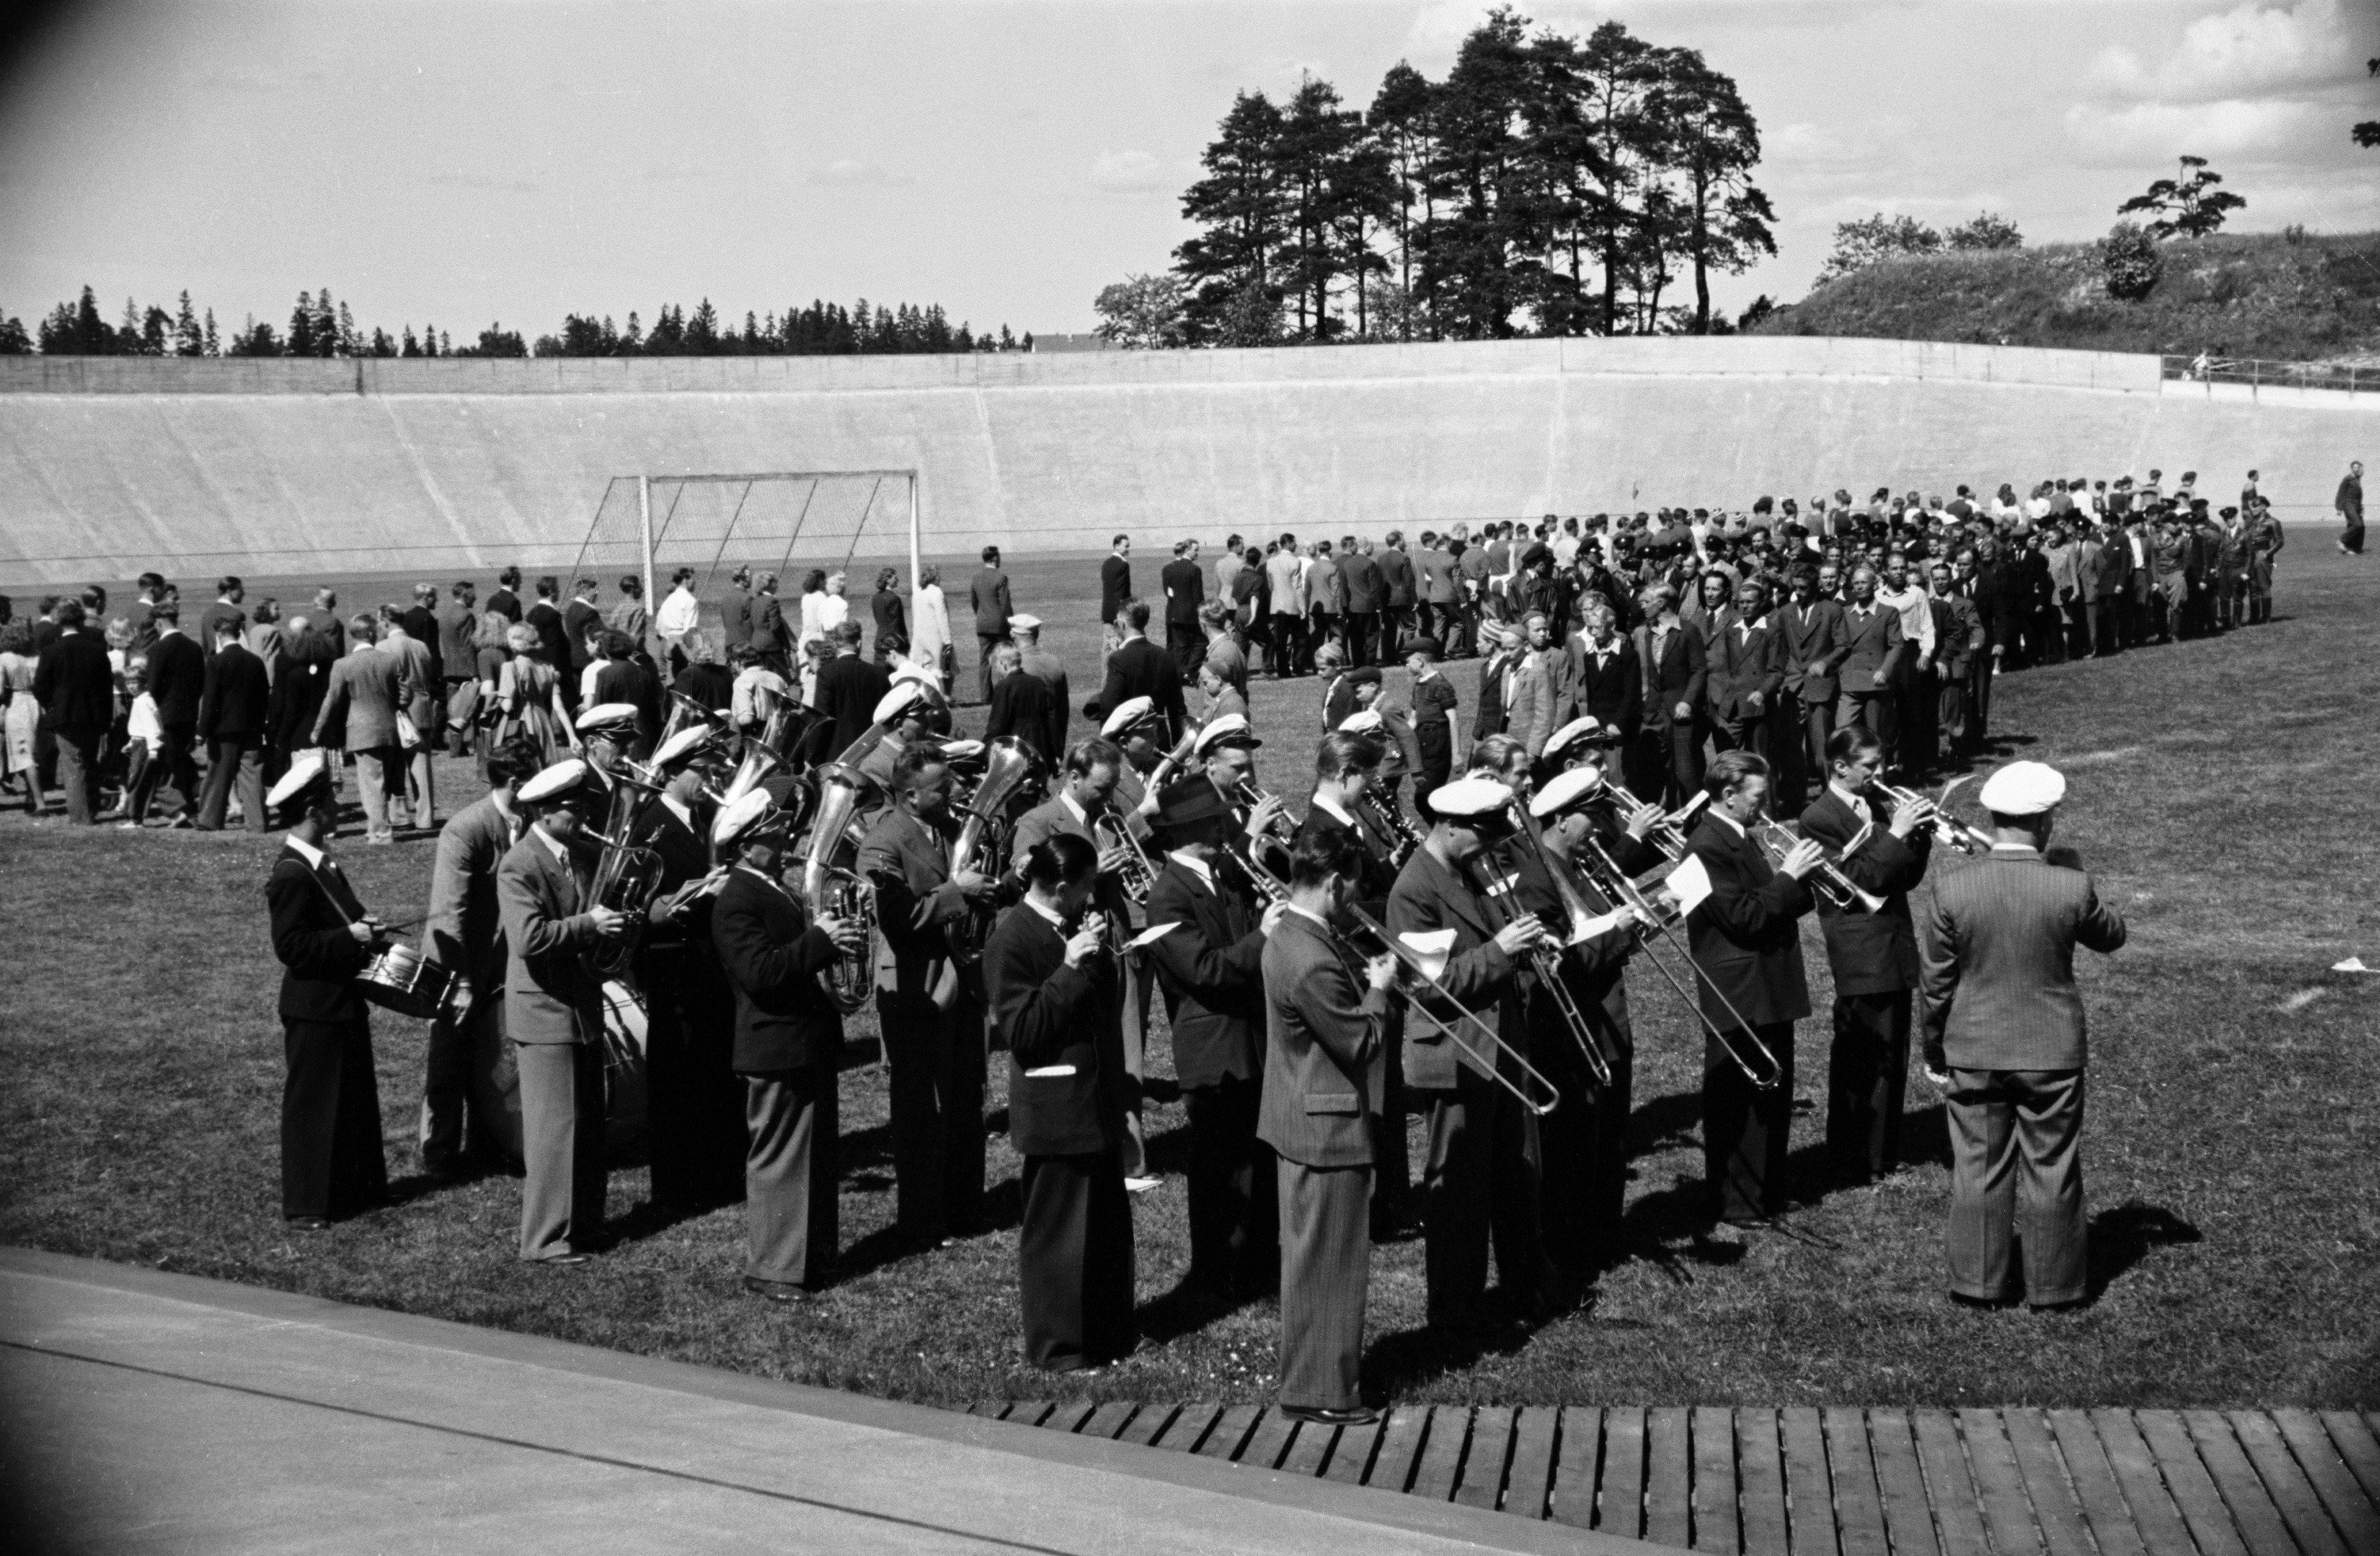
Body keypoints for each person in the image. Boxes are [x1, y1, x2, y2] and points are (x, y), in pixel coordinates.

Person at [1919, 760, 2125, 1309]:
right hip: (2050, 1047)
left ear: (1993, 814)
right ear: (2045, 821)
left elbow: (1937, 981)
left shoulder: (1953, 888)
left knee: (1979, 1165)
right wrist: (2081, 875)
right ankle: (2054, 1286)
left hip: (1977, 1044)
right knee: (2052, 1164)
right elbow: (2113, 937)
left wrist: (1935, 1047)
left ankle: (1978, 1283)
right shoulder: (2069, 885)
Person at [1387, 776, 1556, 1333]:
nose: (1493, 845)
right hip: (1459, 1057)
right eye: (1484, 833)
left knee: (1517, 1179)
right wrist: (1500, 952)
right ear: (1451, 825)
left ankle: (1523, 1290)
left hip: (1503, 1045)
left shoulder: (1469, 867)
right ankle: (1453, 1318)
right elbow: (1426, 987)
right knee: (1458, 1197)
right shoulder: (1414, 889)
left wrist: (1528, 947)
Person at [985, 832, 1136, 1371]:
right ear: (1064, 886)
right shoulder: (1012, 938)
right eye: (1089, 885)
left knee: (1103, 1230)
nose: (1094, 894)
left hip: (1090, 1100)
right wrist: (1070, 968)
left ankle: (1108, 1330)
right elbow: (1023, 1028)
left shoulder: (1067, 925)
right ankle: (1058, 1347)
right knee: (1058, 1235)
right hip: (1055, 1105)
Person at [711, 789, 870, 1300]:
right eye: (774, 836)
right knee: (780, 1161)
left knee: (815, 1158)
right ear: (745, 844)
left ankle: (809, 1258)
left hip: (806, 1040)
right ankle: (773, 1268)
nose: (786, 841)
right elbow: (762, 973)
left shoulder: (773, 888)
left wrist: (843, 917)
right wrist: (822, 939)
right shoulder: (736, 899)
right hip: (775, 1044)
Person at [1262, 826, 1397, 1427]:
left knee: (1310, 1263)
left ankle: (1311, 1377)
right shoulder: (1312, 958)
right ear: (1336, 881)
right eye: (1353, 887)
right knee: (1333, 1266)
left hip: (1299, 1115)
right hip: (1327, 1127)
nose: (1355, 898)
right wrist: (1378, 991)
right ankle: (1323, 1390)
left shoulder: (1288, 934)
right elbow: (1360, 1041)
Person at [857, 744, 999, 1247]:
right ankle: (920, 1220)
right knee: (920, 1109)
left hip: (960, 982)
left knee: (965, 1098)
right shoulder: (882, 843)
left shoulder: (947, 829)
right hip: (914, 988)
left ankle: (963, 1207)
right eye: (944, 787)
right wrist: (959, 890)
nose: (957, 793)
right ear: (911, 797)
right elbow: (899, 919)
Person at [1145, 777, 1280, 1297]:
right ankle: (1213, 1270)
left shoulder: (1218, 874)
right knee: (1218, 1167)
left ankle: (1253, 1262)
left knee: (1255, 1158)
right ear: (1192, 829)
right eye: (1218, 820)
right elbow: (1204, 970)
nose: (1227, 826)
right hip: (1213, 1050)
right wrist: (1263, 935)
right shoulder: (1168, 895)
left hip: (1249, 1038)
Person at [1685, 751, 1822, 1233]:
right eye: (1758, 797)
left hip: (1765, 983)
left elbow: (1769, 904)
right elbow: (1742, 916)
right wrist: (1788, 878)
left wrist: (1804, 882)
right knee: (1738, 1101)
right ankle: (1737, 1200)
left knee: (1771, 1095)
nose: (1766, 806)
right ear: (1728, 795)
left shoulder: (1737, 836)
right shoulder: (1707, 844)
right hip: (1740, 989)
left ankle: (1764, 1190)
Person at [497, 758, 628, 1264]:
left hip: (580, 1008)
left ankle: (584, 1225)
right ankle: (543, 1239)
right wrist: (591, 925)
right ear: (547, 811)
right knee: (555, 1131)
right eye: (575, 809)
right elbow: (529, 939)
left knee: (588, 1126)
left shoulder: (577, 852)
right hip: (546, 1011)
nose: (585, 817)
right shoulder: (520, 864)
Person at [1799, 728, 1935, 1185]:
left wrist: (1919, 836)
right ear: (1840, 766)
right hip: (1860, 950)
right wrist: (1896, 832)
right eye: (1869, 766)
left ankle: (1881, 1153)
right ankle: (1849, 1155)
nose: (1880, 774)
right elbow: (1862, 880)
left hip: (1893, 943)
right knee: (1861, 1060)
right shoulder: (1818, 817)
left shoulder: (1875, 807)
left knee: (1892, 1058)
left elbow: (1904, 876)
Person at [263, 753, 388, 1228]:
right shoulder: (292, 873)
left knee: (353, 1100)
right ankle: (306, 1204)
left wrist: (363, 927)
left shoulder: (321, 863)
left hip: (340, 999)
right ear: (313, 810)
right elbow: (290, 946)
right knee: (312, 1108)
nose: (339, 807)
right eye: (332, 800)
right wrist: (348, 938)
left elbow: (340, 916)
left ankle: (358, 1190)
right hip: (314, 1006)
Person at [421, 736, 541, 1178]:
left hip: (509, 962)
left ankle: (490, 1141)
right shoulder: (466, 828)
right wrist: (460, 983)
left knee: (497, 1054)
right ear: (514, 781)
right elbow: (449, 912)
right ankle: (440, 1152)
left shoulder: (531, 821)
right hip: (462, 964)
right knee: (449, 1056)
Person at [33, 600, 114, 825]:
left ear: (59, 621)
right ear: (80, 619)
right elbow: (105, 685)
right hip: (93, 714)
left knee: (73, 765)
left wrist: (52, 705)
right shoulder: (97, 650)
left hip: (63, 715)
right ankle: (90, 810)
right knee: (89, 762)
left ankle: (80, 816)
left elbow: (39, 685)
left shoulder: (51, 651)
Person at [193, 616, 269, 832]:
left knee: (218, 774)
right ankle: (258, 823)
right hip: (252, 728)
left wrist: (202, 731)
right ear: (239, 633)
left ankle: (209, 819)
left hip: (223, 730)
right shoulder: (255, 661)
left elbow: (210, 701)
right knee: (252, 775)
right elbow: (264, 697)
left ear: (219, 634)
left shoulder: (216, 662)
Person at [378, 604, 439, 830]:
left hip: (396, 711)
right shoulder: (420, 645)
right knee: (422, 768)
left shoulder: (383, 646)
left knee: (395, 766)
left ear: (385, 621)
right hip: (422, 708)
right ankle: (426, 818)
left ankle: (399, 816)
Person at [1095, 598, 1188, 744]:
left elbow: (1108, 705)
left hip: (1131, 742)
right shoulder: (1166, 656)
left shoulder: (1118, 659)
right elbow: (1177, 711)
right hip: (1159, 739)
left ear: (1123, 624)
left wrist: (1106, 742)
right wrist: (1178, 749)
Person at [146, 603, 206, 824]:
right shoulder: (194, 647)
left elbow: (152, 687)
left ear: (158, 623)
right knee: (179, 758)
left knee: (164, 762)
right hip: (189, 713)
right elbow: (201, 683)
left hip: (165, 715)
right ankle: (192, 796)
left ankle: (180, 805)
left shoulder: (158, 649)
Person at [811, 619, 891, 760]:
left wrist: (812, 756)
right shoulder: (880, 673)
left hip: (837, 752)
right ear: (859, 643)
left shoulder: (827, 673)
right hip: (871, 750)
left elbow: (821, 720)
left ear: (835, 644)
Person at [497, 622, 575, 764]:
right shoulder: (549, 668)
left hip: (522, 721)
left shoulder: (510, 667)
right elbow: (559, 708)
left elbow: (507, 706)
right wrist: (572, 736)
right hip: (543, 720)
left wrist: (497, 697)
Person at [1403, 636, 1459, 811]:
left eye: (1408, 661)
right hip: (1423, 743)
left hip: (1438, 743)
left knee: (1425, 798)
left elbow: (1453, 719)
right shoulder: (1418, 684)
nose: (1406, 665)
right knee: (1427, 798)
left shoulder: (1440, 685)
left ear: (1420, 661)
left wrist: (1456, 754)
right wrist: (1394, 745)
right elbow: (1413, 719)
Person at [983, 641, 1062, 766]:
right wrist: (1056, 752)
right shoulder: (1038, 682)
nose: (997, 672)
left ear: (1003, 664)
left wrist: (985, 745)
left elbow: (998, 723)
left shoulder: (1005, 685)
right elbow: (1051, 719)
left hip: (1017, 745)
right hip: (1041, 743)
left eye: (996, 667)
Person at [0, 621, 45, 815]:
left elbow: (1, 692)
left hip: (17, 704)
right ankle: (31, 797)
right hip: (38, 704)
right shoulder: (37, 657)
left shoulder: (5, 659)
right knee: (35, 754)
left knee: (24, 754)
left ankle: (40, 803)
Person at [1011, 615, 1070, 758]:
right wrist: (1059, 747)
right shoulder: (1055, 663)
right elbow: (1063, 710)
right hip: (1051, 743)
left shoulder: (1016, 668)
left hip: (1022, 747)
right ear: (1036, 634)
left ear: (1012, 635)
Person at [1161, 539, 1206, 685]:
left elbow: (1169, 592)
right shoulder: (1194, 569)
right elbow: (1198, 595)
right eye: (1196, 550)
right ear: (1187, 550)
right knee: (1202, 643)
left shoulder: (1168, 569)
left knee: (1177, 646)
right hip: (1191, 614)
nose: (1197, 553)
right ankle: (1188, 672)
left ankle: (1176, 674)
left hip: (1174, 612)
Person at [970, 546, 1013, 703]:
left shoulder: (976, 577)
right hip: (1000, 625)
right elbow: (1005, 604)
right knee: (1009, 657)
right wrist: (1011, 623)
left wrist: (982, 616)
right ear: (995, 558)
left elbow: (974, 602)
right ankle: (1009, 692)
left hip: (982, 624)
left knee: (985, 662)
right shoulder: (1001, 577)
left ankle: (986, 697)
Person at [1265, 536, 1308, 678]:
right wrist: (1303, 608)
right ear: (1289, 544)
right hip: (1293, 606)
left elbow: (1271, 586)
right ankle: (1298, 667)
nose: (1296, 545)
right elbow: (1297, 587)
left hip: (1277, 606)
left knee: (1281, 641)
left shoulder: (1270, 562)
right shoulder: (1295, 561)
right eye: (1295, 542)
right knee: (1300, 638)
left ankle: (1283, 670)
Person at [911, 564, 953, 695]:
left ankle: (926, 696)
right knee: (947, 669)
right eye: (938, 575)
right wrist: (948, 641)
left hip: (919, 638)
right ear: (934, 578)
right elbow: (942, 618)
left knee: (923, 669)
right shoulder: (937, 592)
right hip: (936, 638)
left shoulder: (917, 593)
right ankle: (946, 696)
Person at [1100, 535, 1133, 626]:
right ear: (1117, 546)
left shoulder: (1106, 564)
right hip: (1118, 614)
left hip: (1107, 613)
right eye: (1126, 546)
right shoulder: (1123, 565)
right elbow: (1122, 591)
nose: (1128, 549)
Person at [2338, 460, 2364, 556]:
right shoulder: (2347, 479)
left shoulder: (2357, 479)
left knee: (2360, 527)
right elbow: (2341, 492)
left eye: (2358, 468)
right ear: (2352, 468)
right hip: (2348, 505)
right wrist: (2339, 507)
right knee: (2358, 524)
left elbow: (2359, 496)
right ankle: (2341, 541)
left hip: (2356, 506)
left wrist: (2360, 508)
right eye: (2355, 468)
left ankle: (2355, 549)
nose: (2357, 469)